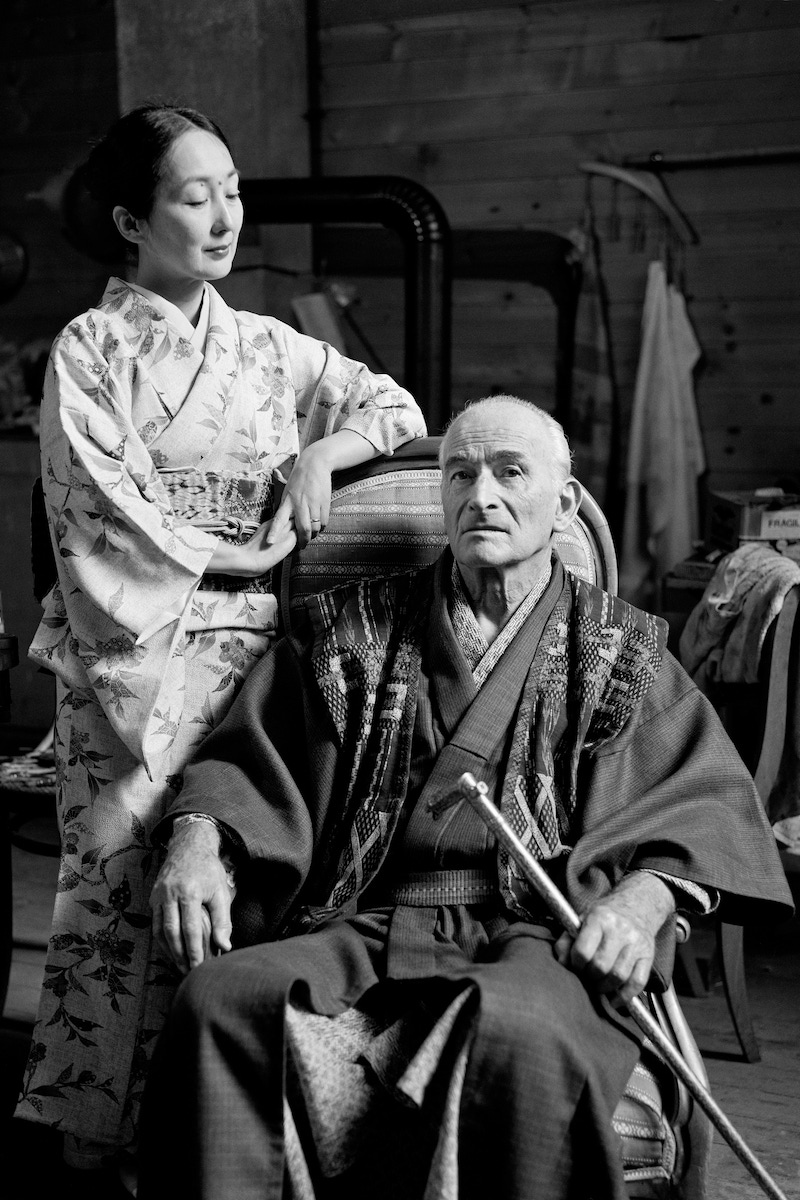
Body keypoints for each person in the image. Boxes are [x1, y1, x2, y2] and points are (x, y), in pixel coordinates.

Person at [138, 396, 791, 1200]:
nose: (482, 494)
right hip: (368, 916)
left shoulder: (620, 650)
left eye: (511, 473)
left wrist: (642, 902)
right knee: (219, 1002)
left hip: (540, 931)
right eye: (461, 474)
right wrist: (199, 837)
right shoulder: (353, 629)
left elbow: (702, 801)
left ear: (565, 501)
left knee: (518, 1034)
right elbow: (248, 757)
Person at [15, 102, 426, 1186]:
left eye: (232, 190)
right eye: (194, 197)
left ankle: (219, 1136)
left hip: (253, 669)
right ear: (130, 221)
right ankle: (96, 1141)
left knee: (237, 892)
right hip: (134, 664)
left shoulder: (266, 346)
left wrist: (319, 456)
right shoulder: (92, 348)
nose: (223, 215)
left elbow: (390, 404)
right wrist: (238, 561)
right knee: (117, 899)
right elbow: (97, 515)